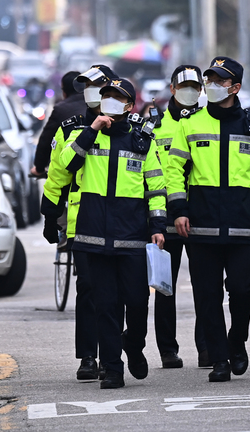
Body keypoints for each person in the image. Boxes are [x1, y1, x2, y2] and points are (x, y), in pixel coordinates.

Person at [167, 57, 250, 382]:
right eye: (210, 79)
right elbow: (174, 170)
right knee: (207, 296)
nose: (213, 85)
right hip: (200, 225)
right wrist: (179, 210)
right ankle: (219, 359)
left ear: (236, 87)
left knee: (242, 291)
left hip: (243, 224)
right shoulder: (190, 123)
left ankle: (237, 342)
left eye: (220, 80)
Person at [59, 78, 167, 389]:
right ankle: (113, 367)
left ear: (129, 106)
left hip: (132, 236)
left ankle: (133, 343)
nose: (110, 101)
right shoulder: (87, 135)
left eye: (117, 98)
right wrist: (92, 129)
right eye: (105, 96)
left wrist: (158, 227)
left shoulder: (143, 140)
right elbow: (66, 164)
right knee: (105, 306)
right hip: (94, 237)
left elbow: (156, 188)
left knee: (136, 302)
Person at [41, 65, 119, 381]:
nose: (89, 91)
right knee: (87, 289)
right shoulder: (70, 127)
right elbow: (58, 174)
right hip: (81, 222)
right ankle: (88, 356)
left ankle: (114, 352)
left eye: (96, 85)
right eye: (85, 86)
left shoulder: (132, 130)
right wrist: (49, 215)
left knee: (115, 292)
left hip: (120, 222)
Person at [152, 65, 208, 369]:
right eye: (183, 86)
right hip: (164, 217)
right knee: (164, 286)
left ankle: (206, 347)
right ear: (172, 88)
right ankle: (167, 349)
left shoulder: (206, 122)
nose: (190, 91)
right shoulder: (154, 126)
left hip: (198, 215)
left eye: (195, 86)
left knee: (204, 285)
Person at [31, 71, 87, 177]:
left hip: (66, 172)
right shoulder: (97, 106)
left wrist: (39, 168)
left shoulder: (61, 109)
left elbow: (45, 140)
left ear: (64, 91)